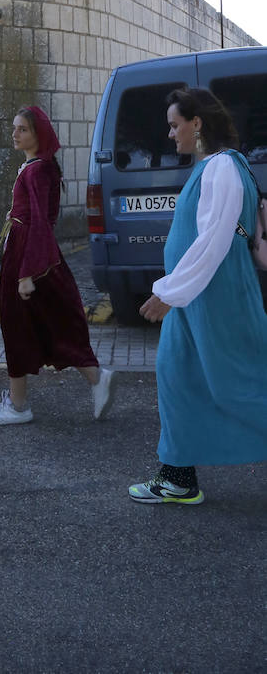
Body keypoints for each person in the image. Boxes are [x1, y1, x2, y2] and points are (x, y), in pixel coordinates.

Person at [129, 87, 267, 505]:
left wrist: (171, 292)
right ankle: (178, 477)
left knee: (236, 384)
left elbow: (214, 239)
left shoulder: (222, 167)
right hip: (201, 295)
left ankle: (178, 477)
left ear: (197, 123)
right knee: (178, 375)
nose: (171, 135)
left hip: (213, 294)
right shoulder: (218, 166)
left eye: (175, 125)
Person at [0, 106, 115, 425]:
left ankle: (19, 405)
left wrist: (26, 273)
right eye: (14, 128)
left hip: (30, 257)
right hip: (30, 254)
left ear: (37, 135)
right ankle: (93, 379)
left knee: (23, 327)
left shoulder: (37, 170)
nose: (15, 134)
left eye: (22, 129)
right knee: (45, 325)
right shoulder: (35, 167)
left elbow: (40, 222)